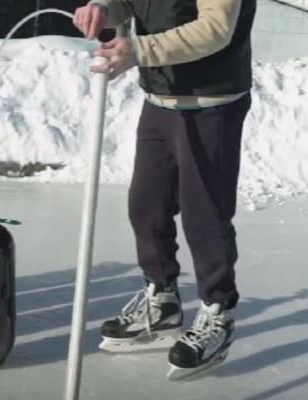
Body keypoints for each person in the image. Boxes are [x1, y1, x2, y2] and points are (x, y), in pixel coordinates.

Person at [74, 0, 256, 378]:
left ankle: (218, 313)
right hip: (160, 100)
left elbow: (216, 27)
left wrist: (140, 50)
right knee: (146, 206)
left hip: (210, 101)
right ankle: (163, 302)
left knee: (205, 215)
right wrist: (103, 9)